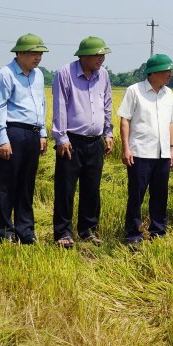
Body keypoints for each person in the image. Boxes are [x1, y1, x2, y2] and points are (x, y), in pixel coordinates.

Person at [51, 36, 114, 248]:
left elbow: (107, 104)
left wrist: (108, 133)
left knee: (92, 188)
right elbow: (60, 106)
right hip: (71, 141)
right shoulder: (64, 73)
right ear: (83, 56)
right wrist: (61, 138)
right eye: (97, 55)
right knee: (66, 189)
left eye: (103, 55)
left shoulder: (103, 75)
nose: (101, 59)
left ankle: (88, 230)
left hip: (95, 141)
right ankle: (63, 233)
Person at [117, 54, 173, 245]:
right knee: (136, 196)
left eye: (170, 70)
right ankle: (133, 235)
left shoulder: (168, 93)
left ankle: (157, 232)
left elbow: (171, 123)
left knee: (160, 195)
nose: (170, 74)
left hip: (162, 154)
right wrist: (126, 148)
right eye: (166, 71)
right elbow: (124, 120)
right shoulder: (134, 91)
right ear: (153, 73)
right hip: (140, 153)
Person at [0, 34, 49, 244]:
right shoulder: (6, 74)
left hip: (33, 134)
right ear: (19, 54)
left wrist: (43, 132)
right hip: (13, 132)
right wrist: (2, 138)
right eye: (33, 53)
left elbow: (42, 104)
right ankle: (3, 231)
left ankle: (25, 230)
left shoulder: (38, 75)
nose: (38, 57)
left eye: (40, 53)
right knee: (6, 184)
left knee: (27, 184)